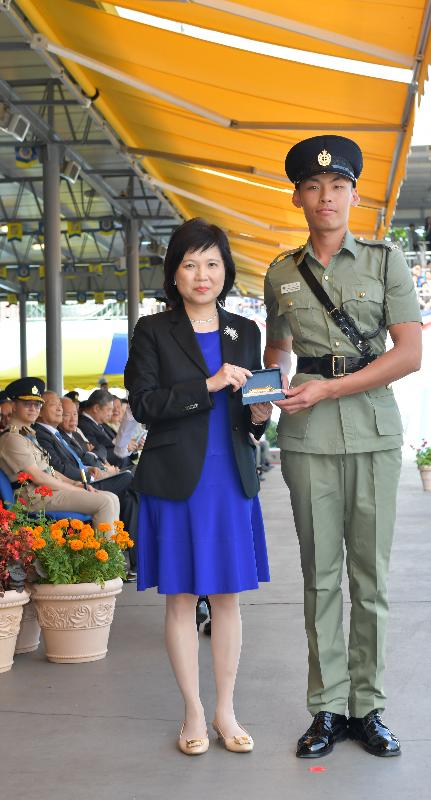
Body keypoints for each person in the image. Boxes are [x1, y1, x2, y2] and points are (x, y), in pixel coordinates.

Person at [264, 135, 422, 759]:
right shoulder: (280, 272)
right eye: (313, 187)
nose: (325, 197)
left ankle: (370, 706)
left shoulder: (386, 262)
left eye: (338, 187)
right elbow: (279, 354)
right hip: (305, 439)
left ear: (355, 194)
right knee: (319, 578)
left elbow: (408, 354)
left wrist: (330, 389)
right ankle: (327, 709)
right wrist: (266, 389)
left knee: (371, 580)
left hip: (374, 431)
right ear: (298, 196)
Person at [124, 218, 271, 756]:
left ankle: (225, 709)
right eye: (190, 264)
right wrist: (206, 385)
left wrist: (259, 416)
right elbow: (143, 404)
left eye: (211, 263)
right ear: (174, 274)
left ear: (226, 270)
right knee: (182, 599)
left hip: (230, 477)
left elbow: (250, 412)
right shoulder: (152, 331)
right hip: (176, 479)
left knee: (228, 598)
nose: (202, 274)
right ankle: (191, 711)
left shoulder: (244, 330)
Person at [35, 391, 138, 579]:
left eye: (63, 406)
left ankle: (133, 561)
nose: (60, 409)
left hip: (87, 479)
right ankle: (110, 563)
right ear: (40, 411)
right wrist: (86, 477)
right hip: (78, 484)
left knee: (131, 497)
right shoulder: (41, 434)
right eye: (54, 405)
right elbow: (58, 467)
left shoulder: (58, 433)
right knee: (129, 480)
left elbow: (84, 455)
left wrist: (92, 467)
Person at [0, 378, 120, 527]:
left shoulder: (28, 435)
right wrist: (76, 489)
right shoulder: (12, 438)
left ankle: (112, 548)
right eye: (27, 404)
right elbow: (38, 477)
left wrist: (77, 484)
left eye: (37, 404)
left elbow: (50, 471)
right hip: (34, 497)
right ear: (13, 406)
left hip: (46, 492)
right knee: (105, 502)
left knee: (112, 497)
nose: (33, 408)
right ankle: (105, 550)